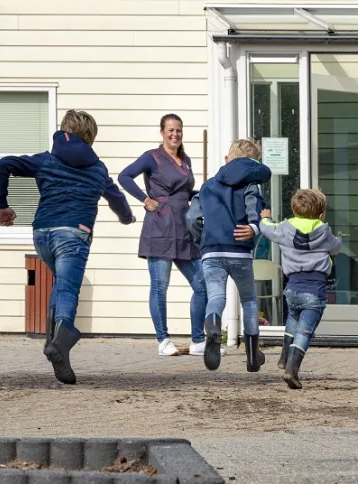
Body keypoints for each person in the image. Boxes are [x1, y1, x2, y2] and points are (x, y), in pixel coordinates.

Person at [0, 110, 135, 385]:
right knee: (69, 288)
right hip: (74, 234)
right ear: (91, 137)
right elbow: (116, 197)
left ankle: (55, 346)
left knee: (60, 284)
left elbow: (4, 165)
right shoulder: (98, 168)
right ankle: (62, 338)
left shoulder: (47, 161)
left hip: (42, 234)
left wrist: (1, 205)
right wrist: (127, 217)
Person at [118, 114, 210, 357]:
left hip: (184, 229)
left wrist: (207, 194)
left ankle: (198, 340)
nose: (175, 134)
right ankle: (163, 340)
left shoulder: (185, 160)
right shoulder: (152, 157)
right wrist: (144, 199)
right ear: (162, 132)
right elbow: (123, 176)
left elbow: (186, 192)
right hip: (159, 228)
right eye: (170, 130)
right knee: (160, 287)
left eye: (178, 130)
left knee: (202, 283)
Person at [193, 139, 271, 373]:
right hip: (239, 251)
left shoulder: (207, 186)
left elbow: (191, 218)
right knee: (248, 300)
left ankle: (214, 323)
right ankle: (251, 356)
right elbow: (253, 209)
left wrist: (202, 238)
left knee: (216, 296)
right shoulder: (250, 185)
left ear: (227, 159)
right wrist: (254, 228)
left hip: (212, 251)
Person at [258, 189, 342, 389]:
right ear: (320, 214)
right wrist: (337, 245)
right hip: (314, 290)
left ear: (294, 210)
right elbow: (336, 247)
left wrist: (266, 218)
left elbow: (266, 228)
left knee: (292, 320)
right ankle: (292, 369)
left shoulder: (285, 228)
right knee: (305, 331)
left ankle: (284, 357)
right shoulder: (324, 230)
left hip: (292, 288)